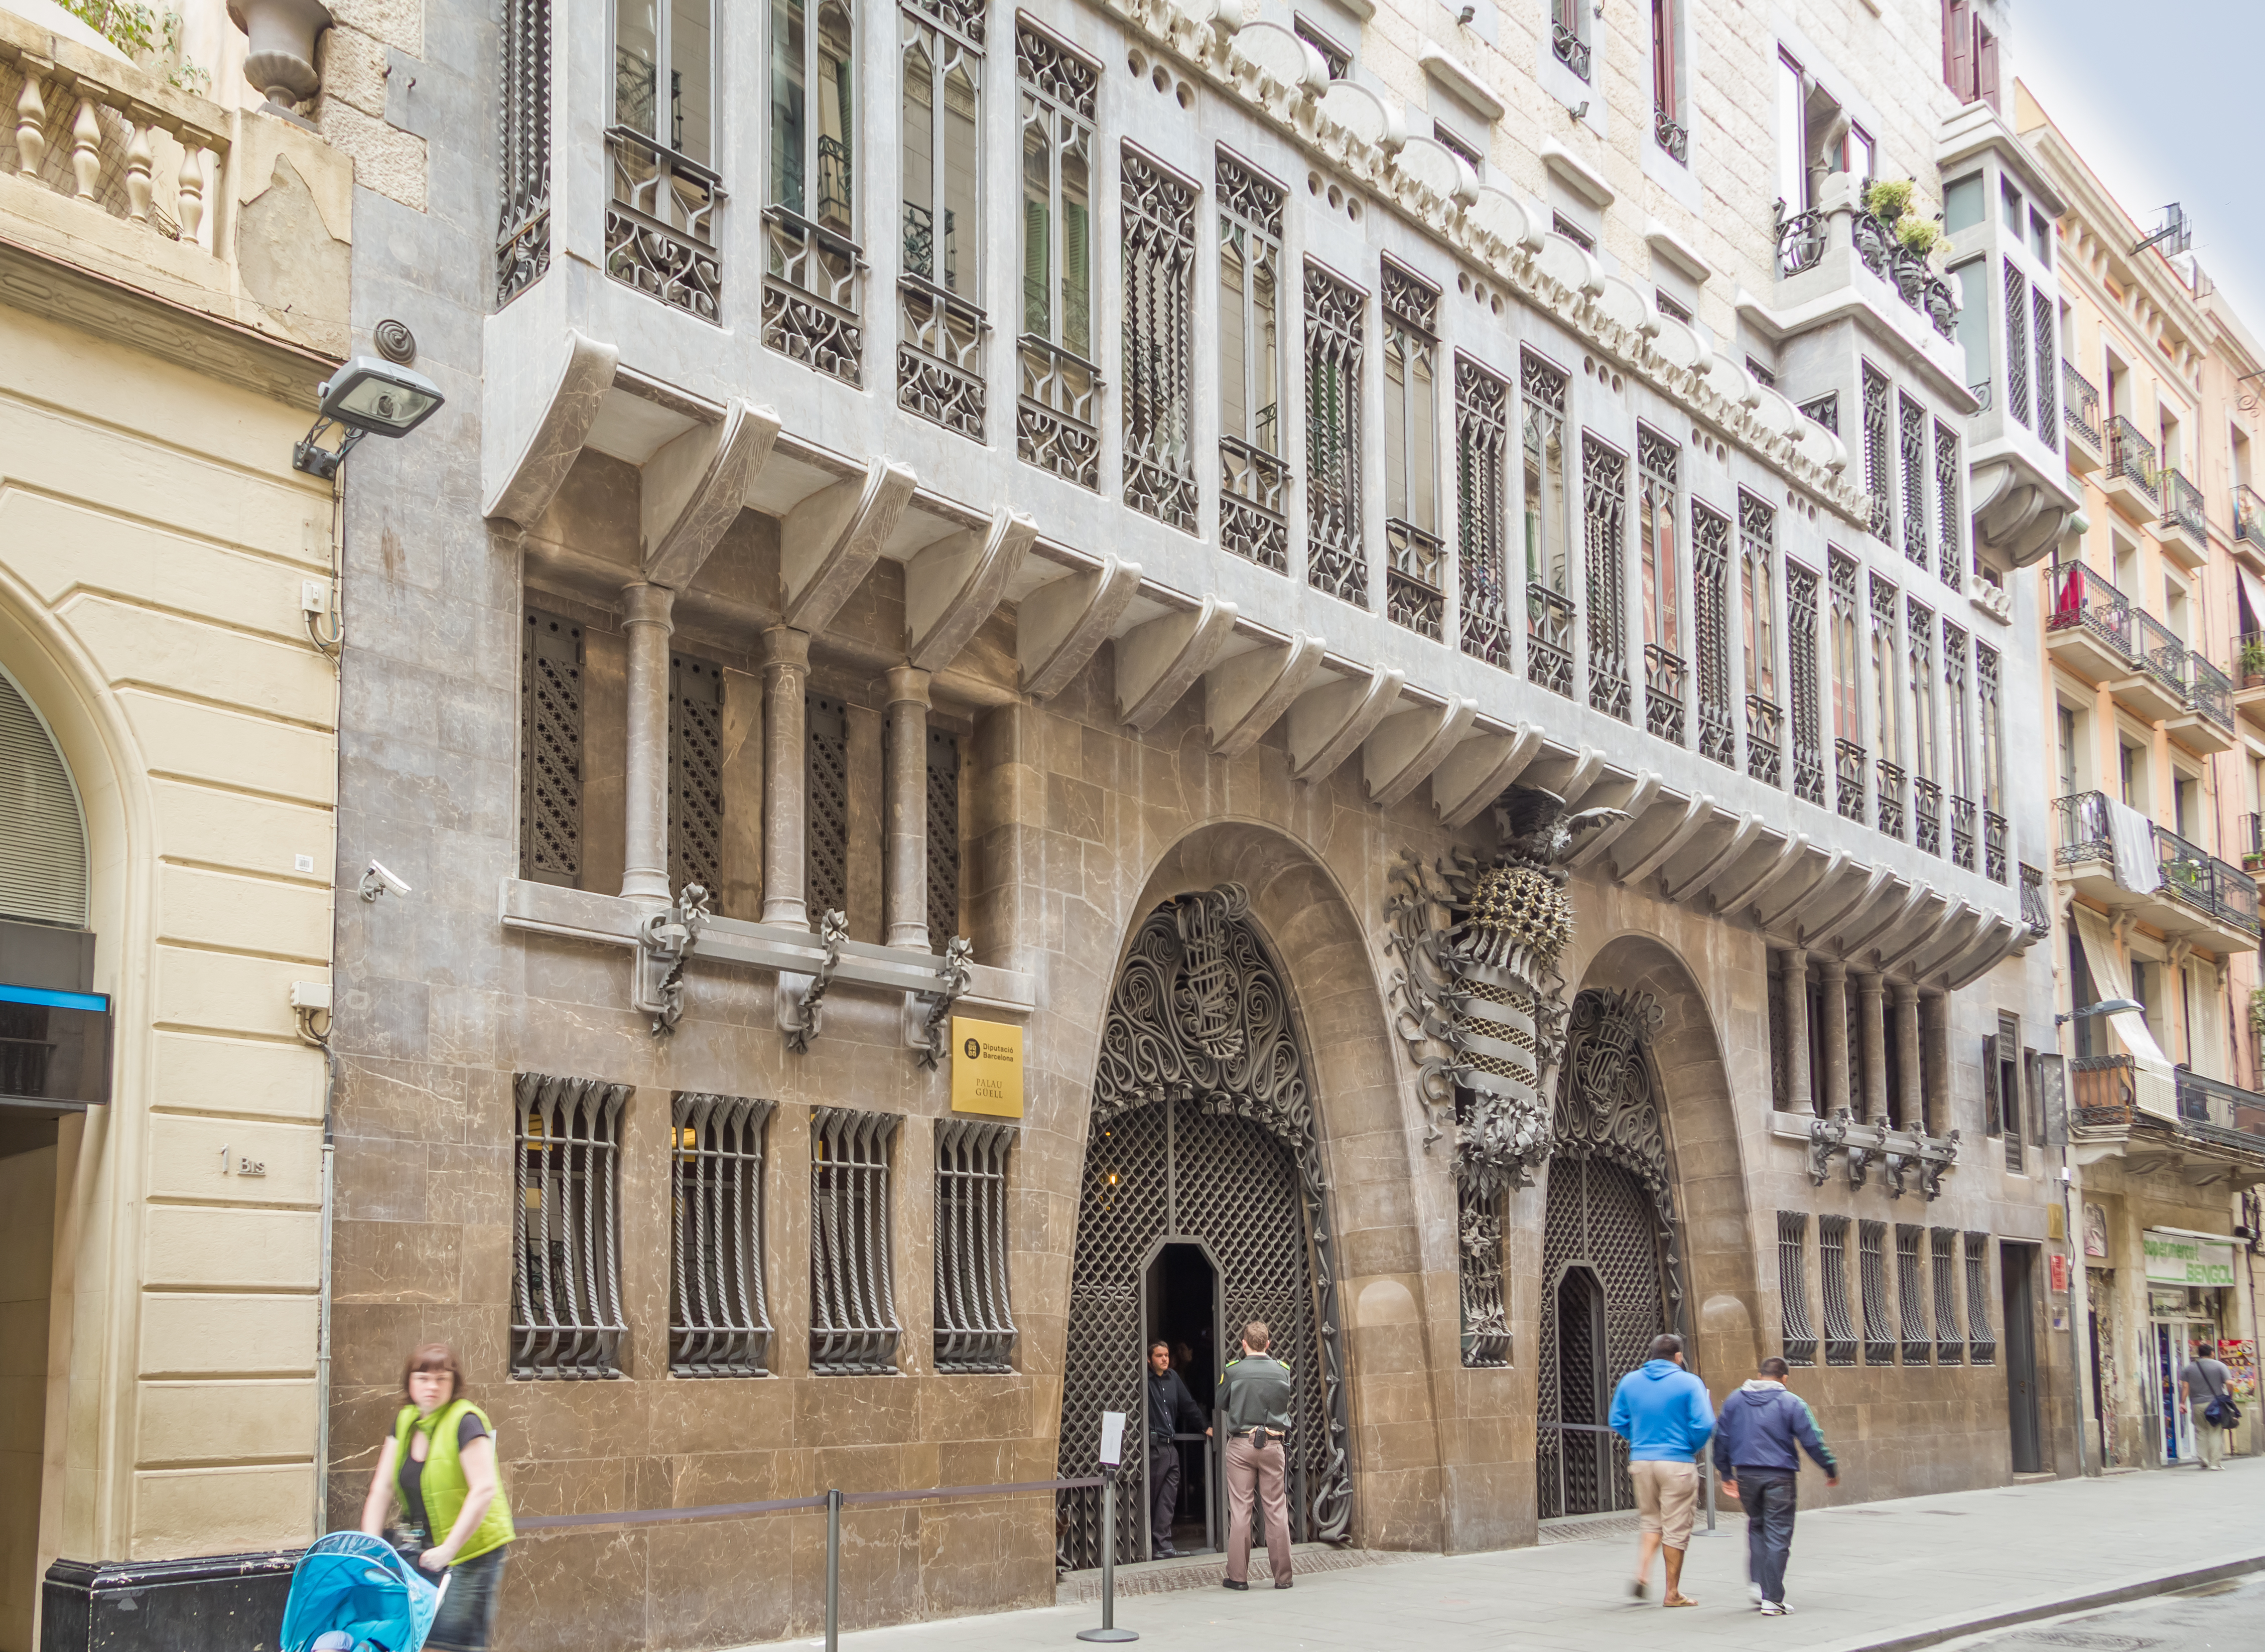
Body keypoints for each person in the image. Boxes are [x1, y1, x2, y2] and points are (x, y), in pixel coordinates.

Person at [358, 1342, 515, 1651]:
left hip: (471, 1553)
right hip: (423, 1551)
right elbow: (382, 1487)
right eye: (423, 1378)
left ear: (454, 1384)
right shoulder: (405, 1421)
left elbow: (484, 1489)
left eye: (442, 1379)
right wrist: (370, 1547)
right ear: (409, 1383)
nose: (432, 1387)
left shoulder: (466, 1420)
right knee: (416, 1638)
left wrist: (449, 1549)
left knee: (448, 1644)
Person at [1712, 1356, 1837, 1617]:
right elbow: (1812, 1440)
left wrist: (1726, 1473)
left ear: (1760, 1376)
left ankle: (1758, 1585)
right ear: (1784, 1378)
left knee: (1757, 1526)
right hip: (1779, 1477)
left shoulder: (1736, 1399)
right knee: (1778, 1534)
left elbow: (1722, 1437)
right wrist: (1830, 1467)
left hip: (1746, 1475)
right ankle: (1772, 1599)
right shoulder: (1792, 1402)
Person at [1608, 1332, 1715, 1607]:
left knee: (1651, 1520)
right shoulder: (1689, 1382)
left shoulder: (1630, 1381)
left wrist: (1639, 1438)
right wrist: (1689, 1446)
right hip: (1677, 1461)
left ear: (1651, 1354)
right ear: (1678, 1356)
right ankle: (1673, 1593)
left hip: (1642, 1461)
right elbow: (1704, 1424)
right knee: (1676, 1527)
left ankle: (1642, 1575)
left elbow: (1616, 1419)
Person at [1217, 1320, 1295, 1591]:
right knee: (1276, 1508)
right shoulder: (1282, 1371)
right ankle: (1283, 1577)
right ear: (1269, 1344)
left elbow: (1221, 1402)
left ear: (1244, 1343)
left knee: (1241, 1510)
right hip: (1273, 1443)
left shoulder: (1234, 1371)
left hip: (1241, 1444)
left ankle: (1238, 1577)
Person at [1145, 1340, 1208, 1556]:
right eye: (1159, 1356)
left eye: (1167, 1355)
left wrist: (1206, 1427)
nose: (1164, 1359)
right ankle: (1149, 1546)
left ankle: (1163, 1544)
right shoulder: (1145, 1381)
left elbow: (1189, 1406)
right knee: (1152, 1498)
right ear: (1148, 1360)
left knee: (1168, 1498)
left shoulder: (1174, 1379)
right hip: (1153, 1449)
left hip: (1171, 1448)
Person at [2179, 1337, 2236, 1471]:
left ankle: (2203, 1459)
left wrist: (2182, 1403)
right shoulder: (2219, 1365)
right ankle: (2215, 1463)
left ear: (2199, 1354)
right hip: (2215, 1404)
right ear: (2212, 1353)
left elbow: (2185, 1387)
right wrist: (2230, 1396)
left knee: (2201, 1431)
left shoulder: (2189, 1369)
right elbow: (2230, 1383)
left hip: (2197, 1404)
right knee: (2215, 1432)